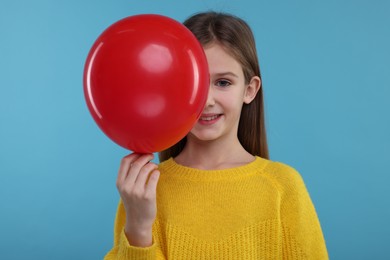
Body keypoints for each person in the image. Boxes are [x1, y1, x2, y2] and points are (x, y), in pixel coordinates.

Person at [105, 11, 328, 259]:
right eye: (192, 81)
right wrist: (138, 228)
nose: (207, 100)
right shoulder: (144, 190)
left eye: (223, 82)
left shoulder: (283, 187)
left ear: (250, 90)